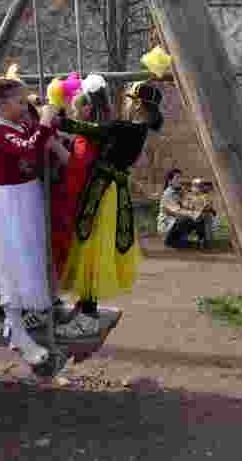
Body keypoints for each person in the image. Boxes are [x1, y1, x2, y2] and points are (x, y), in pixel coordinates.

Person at [0, 77, 66, 365]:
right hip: (10, 202)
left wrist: (51, 122)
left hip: (25, 195)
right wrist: (44, 124)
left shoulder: (18, 124)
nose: (26, 107)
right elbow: (28, 148)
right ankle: (18, 334)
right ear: (0, 105)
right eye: (20, 102)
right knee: (13, 263)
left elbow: (37, 137)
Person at [56, 77, 163, 338]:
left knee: (93, 246)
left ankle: (88, 316)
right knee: (91, 245)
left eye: (129, 101)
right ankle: (84, 307)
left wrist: (56, 119)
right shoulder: (135, 129)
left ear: (139, 106)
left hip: (104, 190)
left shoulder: (126, 127)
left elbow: (88, 129)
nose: (126, 105)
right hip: (109, 188)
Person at [158, 169, 213, 249]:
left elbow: (191, 202)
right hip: (168, 227)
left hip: (178, 223)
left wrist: (205, 206)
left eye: (181, 178)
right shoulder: (168, 194)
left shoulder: (181, 191)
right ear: (170, 181)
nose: (180, 180)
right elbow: (177, 212)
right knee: (193, 217)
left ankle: (204, 241)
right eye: (177, 178)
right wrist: (195, 213)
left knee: (203, 215)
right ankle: (171, 241)